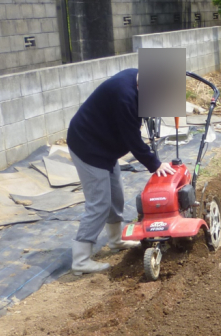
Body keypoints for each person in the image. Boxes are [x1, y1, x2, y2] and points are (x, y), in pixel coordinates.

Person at [66, 68, 176, 274]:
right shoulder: (125, 97)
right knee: (99, 202)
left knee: (116, 196)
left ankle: (116, 240)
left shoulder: (137, 78)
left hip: (105, 146)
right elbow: (132, 139)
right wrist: (155, 164)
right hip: (87, 146)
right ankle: (80, 260)